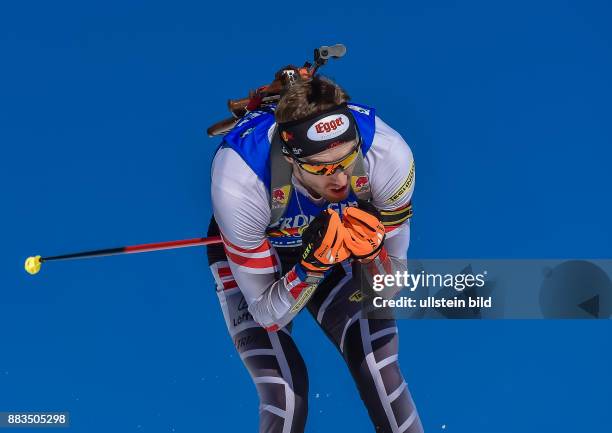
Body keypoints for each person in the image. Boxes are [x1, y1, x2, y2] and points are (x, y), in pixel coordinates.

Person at [207, 74, 422, 433]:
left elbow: (391, 285)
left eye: (347, 158)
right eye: (320, 168)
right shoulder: (239, 179)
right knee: (286, 392)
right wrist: (311, 267)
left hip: (339, 252)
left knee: (376, 362)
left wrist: (371, 256)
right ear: (291, 159)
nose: (338, 178)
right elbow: (266, 314)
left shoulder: (388, 154)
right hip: (266, 258)